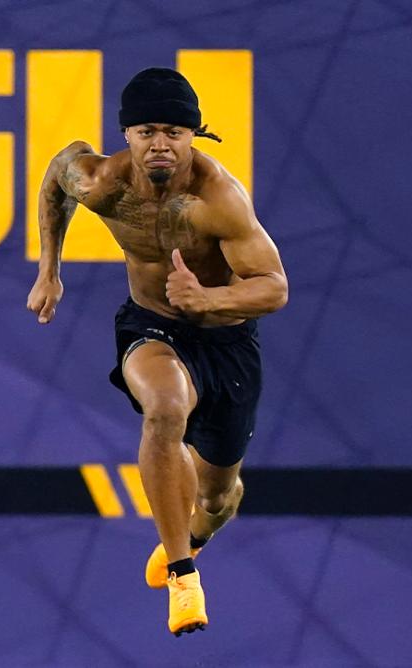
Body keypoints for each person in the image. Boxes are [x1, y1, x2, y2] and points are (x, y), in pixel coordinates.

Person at [26, 67, 288, 636]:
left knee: (218, 497)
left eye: (174, 131)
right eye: (147, 131)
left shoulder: (218, 199)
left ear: (194, 134)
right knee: (165, 408)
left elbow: (274, 287)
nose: (160, 144)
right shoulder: (101, 183)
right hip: (151, 325)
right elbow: (55, 177)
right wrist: (49, 270)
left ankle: (195, 532)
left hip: (225, 341)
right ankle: (182, 573)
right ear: (127, 134)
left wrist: (209, 298)